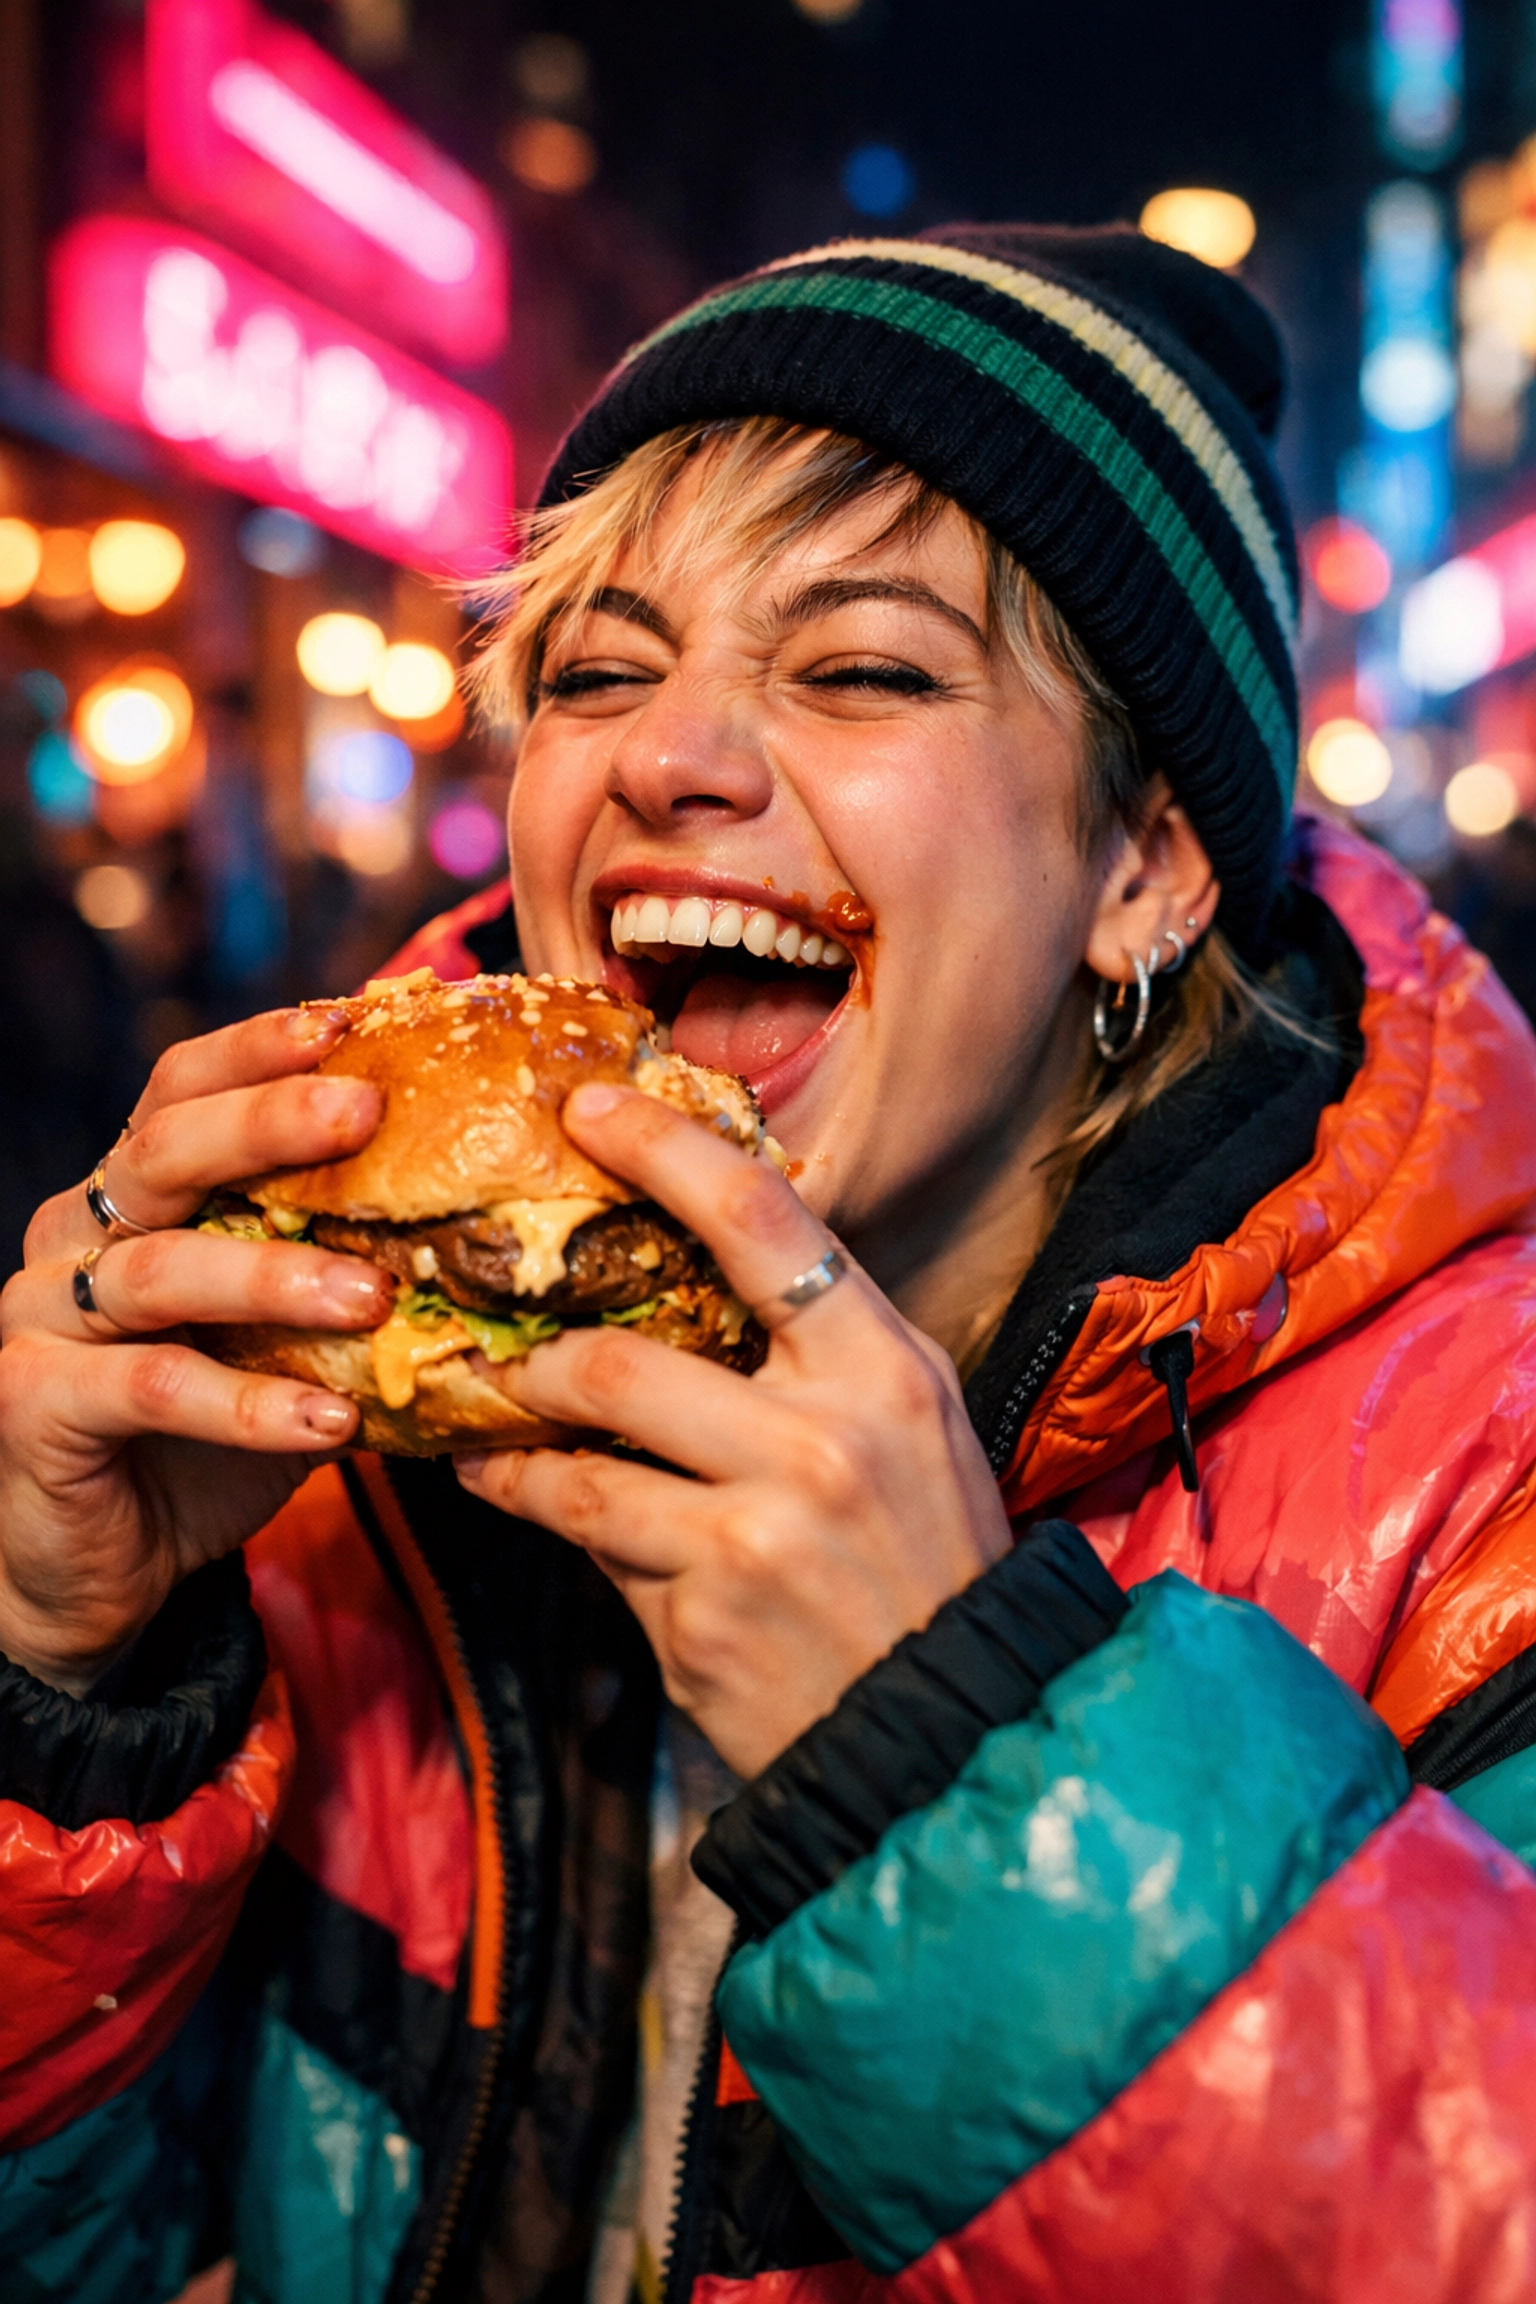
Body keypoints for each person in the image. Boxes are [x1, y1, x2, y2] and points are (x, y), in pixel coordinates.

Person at [4, 225, 1536, 2304]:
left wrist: (968, 1768)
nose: (669, 757)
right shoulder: (316, 1430)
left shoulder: (1487, 1506)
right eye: (597, 672)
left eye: (865, 666)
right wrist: (70, 1708)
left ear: (1146, 864)